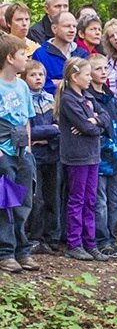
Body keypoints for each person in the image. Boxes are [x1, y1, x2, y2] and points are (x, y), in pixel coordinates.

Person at [55, 56, 111, 261]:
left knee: (91, 200)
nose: (91, 78)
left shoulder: (88, 96)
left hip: (92, 155)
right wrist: (93, 124)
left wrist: (94, 120)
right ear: (74, 77)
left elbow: (106, 117)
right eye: (87, 74)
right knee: (77, 200)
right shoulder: (69, 99)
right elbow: (87, 128)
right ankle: (74, 243)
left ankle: (90, 243)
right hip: (76, 156)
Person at [0, 35, 39, 273]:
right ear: (9, 58)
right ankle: (6, 252)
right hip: (3, 152)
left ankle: (22, 249)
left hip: (22, 151)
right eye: (22, 54)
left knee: (23, 201)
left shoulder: (22, 86)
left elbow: (26, 120)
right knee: (5, 202)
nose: (26, 58)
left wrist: (29, 149)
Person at [89, 55, 117, 258]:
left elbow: (111, 123)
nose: (103, 72)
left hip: (114, 155)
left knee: (115, 200)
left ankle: (111, 237)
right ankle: (101, 239)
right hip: (97, 153)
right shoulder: (88, 97)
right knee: (100, 200)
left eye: (105, 68)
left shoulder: (109, 95)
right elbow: (96, 123)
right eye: (98, 69)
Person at [23, 59, 60, 255]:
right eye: (33, 75)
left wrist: (48, 135)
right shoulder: (24, 98)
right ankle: (35, 237)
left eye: (41, 75)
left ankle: (51, 236)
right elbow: (30, 131)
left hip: (52, 154)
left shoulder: (50, 99)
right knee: (36, 197)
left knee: (52, 196)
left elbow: (59, 126)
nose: (38, 78)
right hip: (35, 155)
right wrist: (48, 131)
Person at [31, 11, 88, 95]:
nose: (72, 30)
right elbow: (41, 85)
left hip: (80, 103)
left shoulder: (81, 53)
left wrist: (59, 83)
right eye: (67, 26)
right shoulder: (41, 54)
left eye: (74, 26)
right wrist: (74, 83)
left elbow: (88, 82)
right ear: (54, 28)